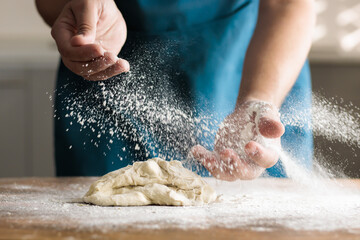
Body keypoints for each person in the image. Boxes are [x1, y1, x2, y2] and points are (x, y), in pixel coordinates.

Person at [35, 0, 315, 180]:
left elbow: (288, 4)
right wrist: (83, 9)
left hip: (253, 58)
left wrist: (259, 100)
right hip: (109, 64)